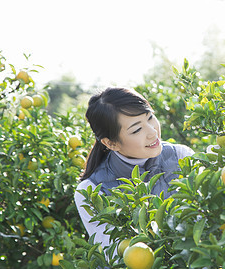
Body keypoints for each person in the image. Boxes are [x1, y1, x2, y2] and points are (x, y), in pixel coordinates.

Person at [74, 87, 194, 250]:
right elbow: (114, 256)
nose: (152, 132)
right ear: (111, 143)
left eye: (150, 117)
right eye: (137, 129)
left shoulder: (181, 156)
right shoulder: (92, 192)